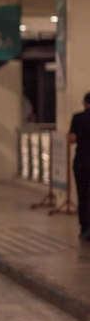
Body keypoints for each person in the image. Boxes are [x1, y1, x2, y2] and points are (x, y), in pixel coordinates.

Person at [68, 92, 90, 242]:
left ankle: (85, 229)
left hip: (82, 161)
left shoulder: (77, 118)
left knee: (82, 195)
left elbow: (71, 139)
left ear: (84, 103)